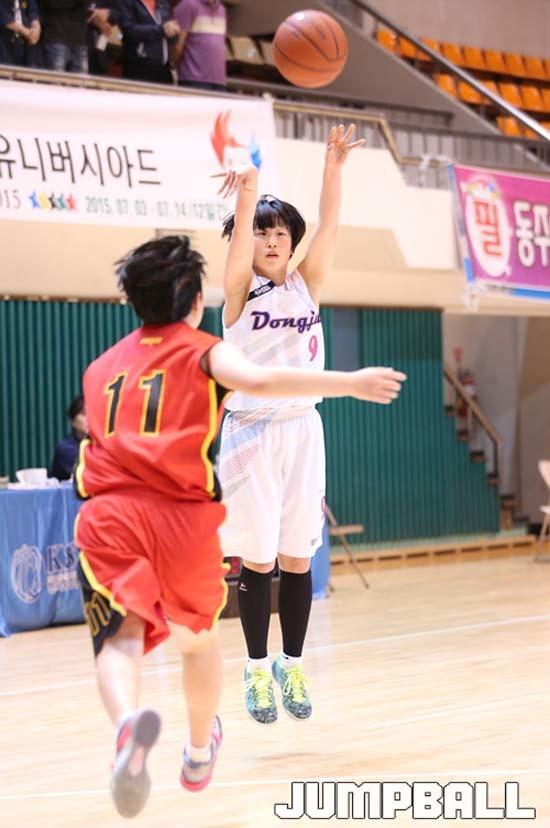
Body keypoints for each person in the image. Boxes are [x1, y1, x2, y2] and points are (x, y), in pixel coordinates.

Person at [73, 234, 405, 818]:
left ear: (133, 299)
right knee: (198, 643)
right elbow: (264, 381)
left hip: (110, 516)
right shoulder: (203, 351)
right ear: (193, 300)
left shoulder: (99, 369)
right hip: (180, 518)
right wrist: (350, 382)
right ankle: (199, 752)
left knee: (118, 640)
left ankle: (126, 725)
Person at [216, 124, 366, 725]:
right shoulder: (238, 291)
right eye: (263, 232)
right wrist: (247, 191)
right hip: (251, 432)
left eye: (281, 232)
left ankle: (292, 663)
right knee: (258, 561)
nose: (272, 240)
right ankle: (256, 669)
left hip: (304, 428)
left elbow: (329, 227)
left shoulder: (307, 285)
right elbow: (240, 239)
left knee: (297, 558)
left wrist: (333, 166)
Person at [117, 0, 178, 83]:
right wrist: (161, 30)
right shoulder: (127, 2)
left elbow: (167, 29)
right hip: (139, 67)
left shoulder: (163, 2)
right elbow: (128, 30)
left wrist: (173, 30)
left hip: (164, 68)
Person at [172, 0, 226, 92]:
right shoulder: (188, 4)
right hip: (193, 79)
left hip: (219, 81)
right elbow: (177, 46)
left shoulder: (221, 9)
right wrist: (176, 69)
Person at [51, 394, 87, 480]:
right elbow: (88, 472)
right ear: (73, 421)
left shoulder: (102, 443)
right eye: (84, 414)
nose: (90, 418)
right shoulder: (66, 448)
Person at [0, 0, 41, 67]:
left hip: (26, 44)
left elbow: (33, 11)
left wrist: (36, 29)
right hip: (4, 43)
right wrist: (25, 32)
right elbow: (3, 16)